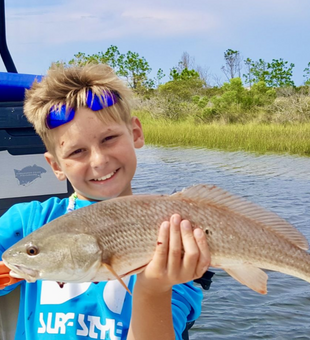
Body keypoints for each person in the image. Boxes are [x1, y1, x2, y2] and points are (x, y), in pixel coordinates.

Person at [0, 63, 210, 340]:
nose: (99, 161)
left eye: (109, 139)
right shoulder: (29, 221)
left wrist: (153, 289)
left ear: (135, 133)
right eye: (77, 151)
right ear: (55, 165)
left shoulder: (173, 232)